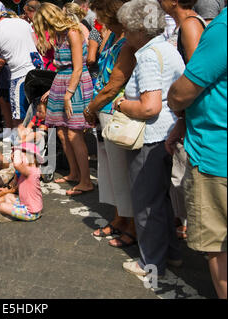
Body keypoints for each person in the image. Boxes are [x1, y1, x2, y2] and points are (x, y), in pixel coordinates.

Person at [114, 0, 185, 278]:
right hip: (167, 134)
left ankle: (151, 263)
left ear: (138, 29)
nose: (124, 35)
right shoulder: (167, 48)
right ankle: (171, 254)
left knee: (147, 204)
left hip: (150, 137)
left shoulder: (147, 55)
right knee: (161, 201)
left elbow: (149, 106)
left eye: (126, 29)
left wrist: (121, 104)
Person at [168, 7, 227, 299]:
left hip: (217, 155)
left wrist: (176, 104)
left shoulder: (223, 29)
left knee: (218, 249)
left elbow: (183, 91)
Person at [82, 0, 138, 248]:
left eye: (103, 16)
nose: (100, 21)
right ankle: (120, 217)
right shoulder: (112, 37)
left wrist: (91, 107)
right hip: (103, 111)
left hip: (114, 112)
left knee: (122, 172)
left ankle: (133, 225)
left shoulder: (127, 43)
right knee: (109, 170)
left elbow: (115, 83)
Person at [34, 3, 94, 197]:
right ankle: (74, 173)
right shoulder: (59, 34)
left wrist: (68, 94)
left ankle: (86, 181)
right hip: (61, 82)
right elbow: (61, 67)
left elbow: (78, 67)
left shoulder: (72, 32)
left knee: (74, 134)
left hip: (74, 85)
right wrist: (54, 89)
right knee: (61, 132)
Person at [160, 0, 207, 240]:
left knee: (183, 174)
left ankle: (191, 226)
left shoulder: (189, 25)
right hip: (184, 115)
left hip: (191, 114)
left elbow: (197, 75)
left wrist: (183, 116)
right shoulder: (184, 25)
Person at [0, 3, 38, 126]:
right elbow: (36, 43)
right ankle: (38, 142)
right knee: (36, 113)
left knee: (19, 117)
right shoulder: (22, 23)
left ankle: (22, 143)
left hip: (20, 76)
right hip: (38, 71)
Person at [0, 142, 44, 224]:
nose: (15, 157)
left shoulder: (31, 171)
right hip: (25, 204)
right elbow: (16, 168)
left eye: (20, 156)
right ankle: (14, 215)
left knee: (2, 206)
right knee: (8, 197)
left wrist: (17, 150)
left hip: (31, 213)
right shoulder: (28, 171)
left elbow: (17, 164)